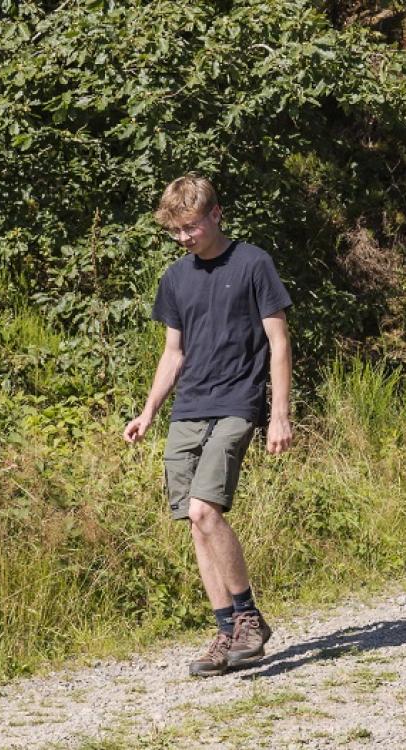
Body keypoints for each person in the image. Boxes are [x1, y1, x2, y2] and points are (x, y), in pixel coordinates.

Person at [123, 173, 293, 677]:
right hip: (189, 407)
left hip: (238, 401)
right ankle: (226, 631)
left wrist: (279, 414)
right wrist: (149, 411)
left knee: (204, 508)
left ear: (216, 214)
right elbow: (173, 353)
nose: (183, 238)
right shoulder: (175, 278)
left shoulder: (253, 263)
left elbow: (279, 343)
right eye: (176, 230)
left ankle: (249, 618)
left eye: (191, 227)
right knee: (196, 523)